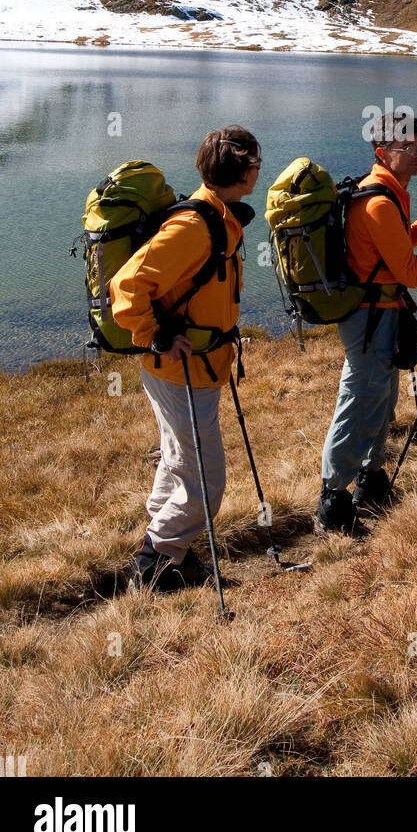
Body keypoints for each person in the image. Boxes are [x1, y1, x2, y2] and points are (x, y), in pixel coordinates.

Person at [111, 126, 261, 591]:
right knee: (206, 479)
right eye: (256, 161)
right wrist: (154, 335)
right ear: (247, 170)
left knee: (179, 460)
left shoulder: (217, 216)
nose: (259, 168)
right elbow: (127, 285)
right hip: (181, 371)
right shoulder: (196, 226)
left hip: (197, 368)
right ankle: (155, 562)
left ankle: (169, 555)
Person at [316, 109, 417, 533]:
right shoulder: (378, 201)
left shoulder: (387, 194)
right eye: (409, 147)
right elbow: (410, 273)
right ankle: (332, 501)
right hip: (371, 319)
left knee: (381, 401)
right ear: (382, 152)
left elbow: (391, 249)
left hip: (383, 314)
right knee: (359, 401)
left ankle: (371, 480)